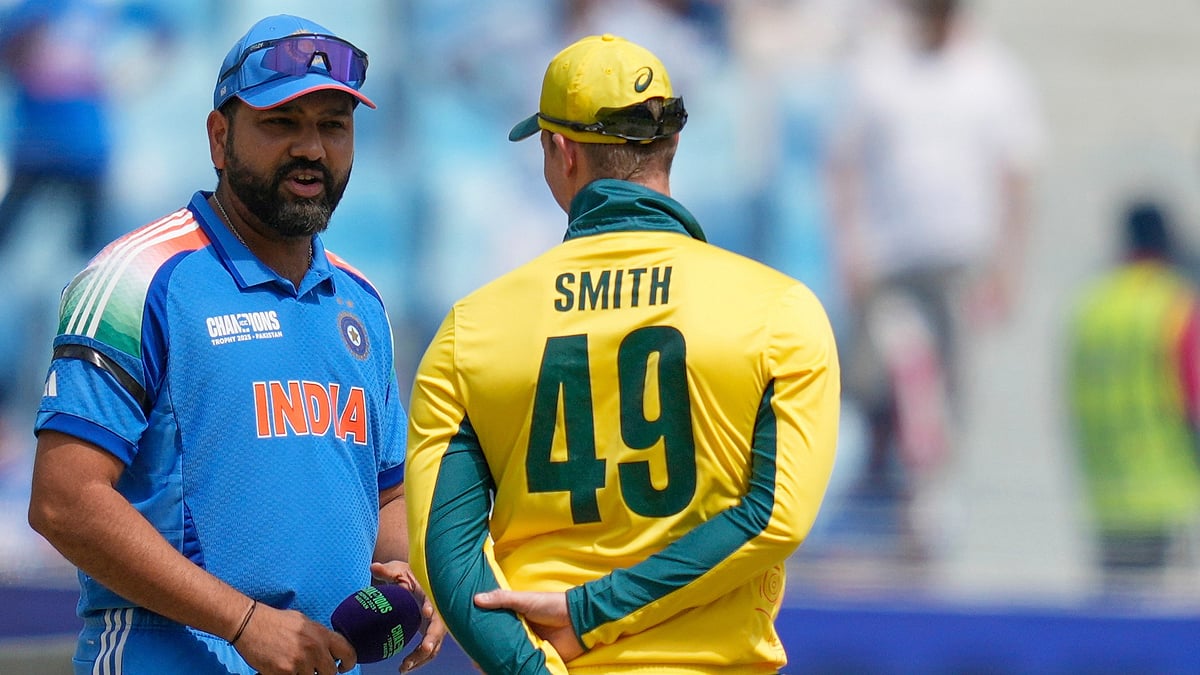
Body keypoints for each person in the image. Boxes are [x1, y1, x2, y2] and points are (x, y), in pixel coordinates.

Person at [405, 34, 840, 673]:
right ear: (673, 142)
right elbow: (775, 519)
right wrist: (593, 611)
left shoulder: (470, 330)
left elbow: (445, 557)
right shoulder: (780, 311)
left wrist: (542, 660)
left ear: (562, 151)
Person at [26, 14, 444, 675]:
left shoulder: (362, 302)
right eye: (282, 122)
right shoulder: (138, 278)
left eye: (333, 125)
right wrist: (245, 622)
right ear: (220, 138)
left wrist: (409, 574)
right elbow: (64, 501)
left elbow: (387, 495)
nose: (311, 148)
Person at [830, 0, 1044, 561]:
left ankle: (926, 513)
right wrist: (849, 250)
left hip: (958, 260)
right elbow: (845, 163)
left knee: (942, 396)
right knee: (880, 382)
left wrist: (1008, 266)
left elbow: (1016, 174)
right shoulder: (879, 67)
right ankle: (879, 499)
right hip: (890, 262)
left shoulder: (993, 74)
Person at [1066, 199, 1200, 592]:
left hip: (1105, 498)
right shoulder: (1175, 305)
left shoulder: (1093, 307)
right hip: (1170, 498)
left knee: (1119, 616)